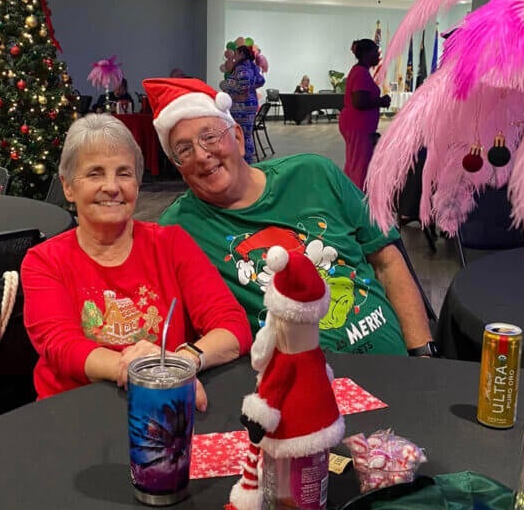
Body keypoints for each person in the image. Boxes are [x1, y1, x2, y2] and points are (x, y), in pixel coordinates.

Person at [142, 77, 437, 358]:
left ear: (237, 137)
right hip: (300, 391)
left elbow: (387, 262)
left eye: (209, 137)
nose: (201, 154)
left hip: (397, 368)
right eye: (184, 149)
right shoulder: (176, 229)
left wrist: (422, 354)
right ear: (177, 165)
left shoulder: (315, 172)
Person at [21, 114, 252, 408]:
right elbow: (62, 347)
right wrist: (136, 371)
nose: (112, 186)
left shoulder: (171, 244)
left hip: (167, 401)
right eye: (95, 173)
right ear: (68, 187)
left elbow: (233, 326)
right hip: (73, 411)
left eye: (124, 173)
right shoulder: (44, 261)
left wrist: (177, 364)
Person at [338, 38, 391, 190]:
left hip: (359, 125)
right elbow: (359, 101)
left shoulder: (361, 71)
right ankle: (356, 196)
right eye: (376, 52)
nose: (378, 57)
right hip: (358, 126)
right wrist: (381, 101)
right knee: (359, 166)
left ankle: (351, 193)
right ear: (367, 54)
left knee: (356, 162)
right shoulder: (361, 73)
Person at [220, 44, 265, 164]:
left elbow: (243, 85)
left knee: (240, 134)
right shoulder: (252, 66)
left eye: (236, 53)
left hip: (241, 106)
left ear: (242, 54)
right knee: (247, 135)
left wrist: (226, 85)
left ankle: (242, 161)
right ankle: (247, 160)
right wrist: (250, 89)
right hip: (250, 104)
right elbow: (261, 81)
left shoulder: (241, 68)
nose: (234, 56)